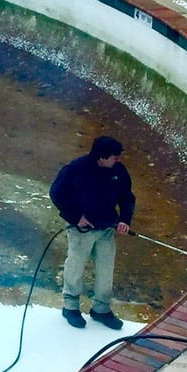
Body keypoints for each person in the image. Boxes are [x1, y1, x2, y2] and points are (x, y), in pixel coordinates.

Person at [49, 135, 135, 330]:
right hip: (81, 230)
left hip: (106, 229)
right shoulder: (75, 170)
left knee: (106, 270)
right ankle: (70, 307)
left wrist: (124, 219)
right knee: (75, 267)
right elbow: (56, 194)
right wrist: (75, 217)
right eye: (115, 156)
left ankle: (101, 310)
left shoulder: (118, 171)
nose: (118, 160)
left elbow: (127, 197)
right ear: (102, 157)